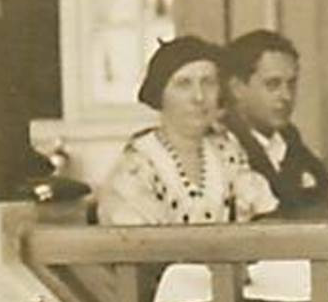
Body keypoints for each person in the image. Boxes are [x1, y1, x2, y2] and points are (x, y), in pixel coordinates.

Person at [96, 35, 278, 226]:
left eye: (208, 82)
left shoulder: (227, 153)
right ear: (160, 94)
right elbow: (137, 245)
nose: (199, 97)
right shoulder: (138, 165)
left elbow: (265, 225)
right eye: (184, 84)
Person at [222, 29, 328, 217]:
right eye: (273, 85)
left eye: (291, 84)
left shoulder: (289, 138)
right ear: (237, 88)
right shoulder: (224, 148)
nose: (286, 96)